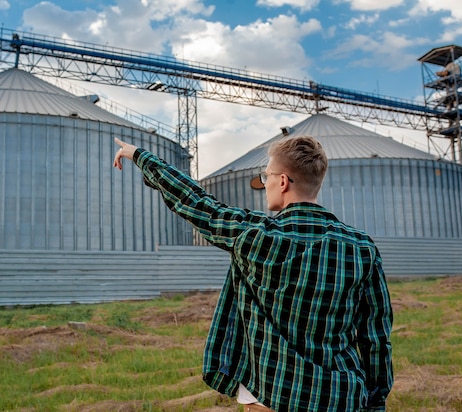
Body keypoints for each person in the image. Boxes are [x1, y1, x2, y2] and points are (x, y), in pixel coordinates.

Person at [113, 135, 393, 411]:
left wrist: (140, 156)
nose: (265, 183)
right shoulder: (361, 247)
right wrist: (376, 401)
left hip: (271, 396)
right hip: (339, 397)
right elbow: (376, 338)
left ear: (282, 182)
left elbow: (197, 203)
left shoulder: (256, 236)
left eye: (266, 176)